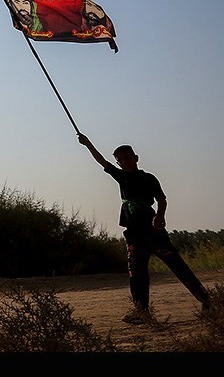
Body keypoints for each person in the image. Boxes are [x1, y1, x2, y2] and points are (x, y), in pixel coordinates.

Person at [77, 133, 211, 324]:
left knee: (177, 266)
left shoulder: (149, 179)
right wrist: (87, 143)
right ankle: (142, 311)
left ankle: (206, 300)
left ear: (136, 158)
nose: (124, 162)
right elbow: (101, 161)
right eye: (120, 160)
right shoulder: (120, 176)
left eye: (127, 158)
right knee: (136, 271)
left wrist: (160, 215)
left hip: (153, 232)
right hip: (133, 234)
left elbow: (162, 199)